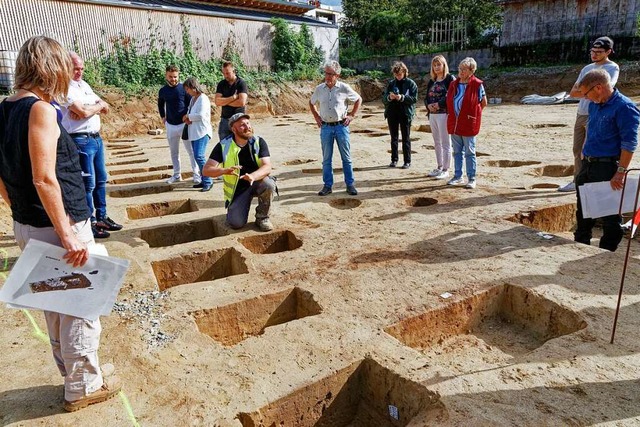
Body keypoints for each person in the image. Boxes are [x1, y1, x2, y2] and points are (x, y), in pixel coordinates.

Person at [0, 36, 122, 412]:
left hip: (32, 223)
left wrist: (18, 209)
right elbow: (44, 178)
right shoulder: (40, 110)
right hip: (58, 224)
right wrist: (68, 234)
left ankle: (74, 376)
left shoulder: (5, 108)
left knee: (56, 303)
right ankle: (84, 387)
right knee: (82, 303)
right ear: (51, 68)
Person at [574, 69, 639, 251]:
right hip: (588, 164)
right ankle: (580, 245)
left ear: (599, 88)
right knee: (584, 212)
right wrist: (584, 152)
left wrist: (620, 172)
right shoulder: (595, 104)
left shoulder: (624, 107)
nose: (585, 98)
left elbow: (629, 144)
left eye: (586, 93)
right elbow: (591, 127)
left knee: (610, 216)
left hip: (607, 167)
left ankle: (605, 252)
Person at [60, 52, 123, 239]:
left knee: (101, 179)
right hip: (80, 140)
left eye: (81, 68)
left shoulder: (83, 85)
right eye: (75, 69)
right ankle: (90, 223)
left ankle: (102, 216)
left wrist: (92, 108)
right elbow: (83, 111)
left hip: (95, 138)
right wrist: (93, 108)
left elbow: (105, 106)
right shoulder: (64, 88)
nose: (79, 72)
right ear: (66, 67)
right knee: (88, 183)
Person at [559, 36, 619, 193]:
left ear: (608, 52)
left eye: (599, 52)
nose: (595, 54)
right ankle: (577, 180)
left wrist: (585, 91)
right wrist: (590, 91)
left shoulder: (612, 68)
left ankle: (590, 180)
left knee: (591, 149)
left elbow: (605, 91)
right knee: (577, 149)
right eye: (593, 51)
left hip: (597, 113)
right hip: (582, 112)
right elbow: (573, 92)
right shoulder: (587, 68)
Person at [202, 113, 276, 232]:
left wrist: (252, 176)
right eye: (242, 125)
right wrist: (224, 170)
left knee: (269, 184)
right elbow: (206, 170)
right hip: (238, 189)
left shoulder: (258, 142)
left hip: (257, 182)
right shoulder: (223, 146)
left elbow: (267, 167)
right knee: (236, 223)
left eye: (248, 123)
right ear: (233, 129)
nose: (247, 127)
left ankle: (262, 217)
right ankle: (235, 210)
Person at [309, 60, 362, 196]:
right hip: (326, 127)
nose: (326, 76)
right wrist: (316, 116)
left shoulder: (344, 88)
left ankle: (350, 185)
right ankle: (327, 186)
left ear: (337, 75)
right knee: (326, 159)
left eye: (329, 74)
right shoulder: (319, 89)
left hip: (341, 127)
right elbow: (312, 102)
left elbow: (358, 99)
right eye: (325, 73)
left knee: (346, 158)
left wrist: (352, 115)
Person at [446, 57, 488, 189]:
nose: (461, 71)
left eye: (464, 69)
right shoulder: (454, 84)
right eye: (460, 68)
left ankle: (472, 178)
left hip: (469, 123)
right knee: (457, 152)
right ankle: (458, 176)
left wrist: (473, 115)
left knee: (470, 152)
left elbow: (483, 103)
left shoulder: (477, 84)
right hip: (455, 123)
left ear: (471, 71)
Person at [157, 65, 200, 185]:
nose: (173, 79)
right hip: (170, 125)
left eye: (175, 77)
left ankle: (196, 175)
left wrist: (189, 117)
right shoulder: (163, 90)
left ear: (178, 75)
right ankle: (177, 175)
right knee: (174, 152)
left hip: (184, 125)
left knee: (191, 150)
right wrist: (163, 117)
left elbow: (191, 104)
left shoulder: (183, 89)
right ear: (166, 75)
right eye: (170, 77)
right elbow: (160, 104)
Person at [382, 61, 418, 169]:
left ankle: (407, 161)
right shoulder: (391, 84)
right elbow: (384, 99)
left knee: (406, 137)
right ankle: (394, 160)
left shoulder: (411, 83)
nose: (398, 76)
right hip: (392, 113)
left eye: (400, 74)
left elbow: (414, 99)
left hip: (405, 113)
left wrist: (402, 97)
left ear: (404, 72)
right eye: (396, 74)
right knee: (394, 137)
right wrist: (389, 98)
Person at [425, 55, 455, 180]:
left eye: (439, 65)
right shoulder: (432, 80)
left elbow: (451, 95)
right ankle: (439, 166)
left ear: (444, 65)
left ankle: (446, 169)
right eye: (435, 65)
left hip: (444, 114)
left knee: (445, 142)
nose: (437, 67)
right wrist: (429, 106)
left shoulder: (449, 79)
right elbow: (426, 97)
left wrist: (439, 104)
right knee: (436, 142)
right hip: (432, 114)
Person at [183, 77, 214, 192]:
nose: (187, 91)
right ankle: (204, 179)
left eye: (187, 89)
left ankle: (208, 180)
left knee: (199, 156)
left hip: (202, 132)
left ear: (193, 87)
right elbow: (190, 112)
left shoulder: (203, 98)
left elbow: (201, 115)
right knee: (197, 156)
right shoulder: (193, 99)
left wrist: (188, 117)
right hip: (194, 132)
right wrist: (187, 117)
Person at [215, 61, 248, 141]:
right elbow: (217, 102)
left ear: (234, 71)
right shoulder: (221, 84)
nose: (225, 75)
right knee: (224, 146)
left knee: (240, 145)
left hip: (238, 120)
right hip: (225, 120)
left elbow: (241, 102)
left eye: (228, 73)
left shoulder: (241, 83)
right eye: (224, 73)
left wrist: (225, 102)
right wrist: (233, 98)